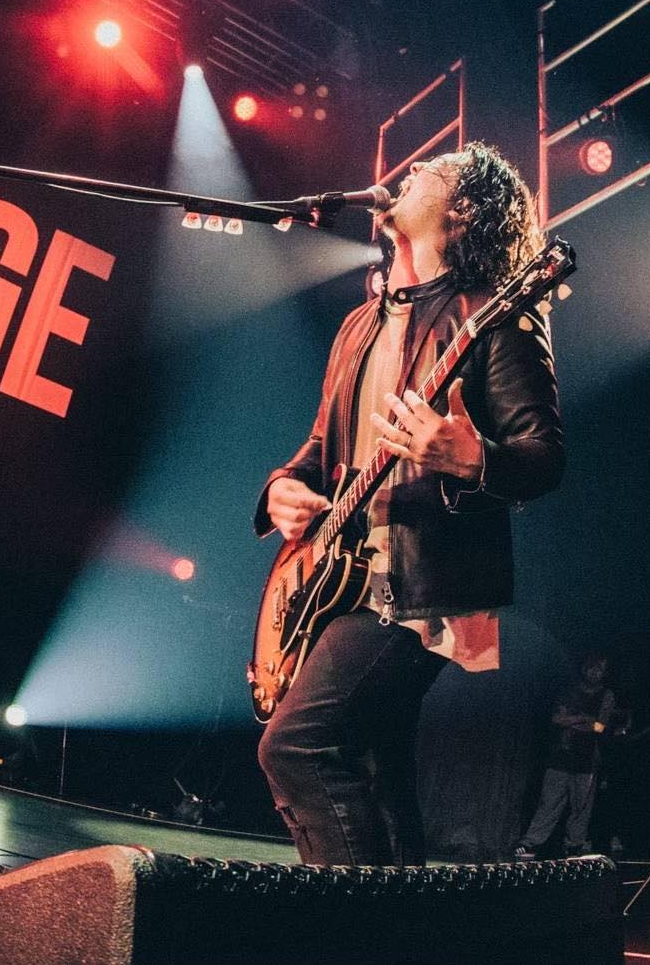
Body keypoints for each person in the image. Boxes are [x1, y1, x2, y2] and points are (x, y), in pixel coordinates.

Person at [255, 142, 565, 866]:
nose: (411, 171)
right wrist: (282, 489)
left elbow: (545, 455)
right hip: (340, 578)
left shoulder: (494, 314)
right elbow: (322, 445)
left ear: (463, 212)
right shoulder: (359, 326)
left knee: (298, 746)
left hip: (426, 587)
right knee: (375, 769)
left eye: (433, 172)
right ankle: (407, 914)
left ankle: (355, 921)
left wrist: (474, 459)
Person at [515, 654, 616, 857]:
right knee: (549, 802)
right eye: (592, 668)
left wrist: (576, 720)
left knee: (581, 805)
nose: (595, 673)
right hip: (560, 756)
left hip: (587, 758)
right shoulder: (569, 691)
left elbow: (600, 727)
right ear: (584, 668)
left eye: (599, 670)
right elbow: (557, 719)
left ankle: (575, 843)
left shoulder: (606, 695)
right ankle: (531, 842)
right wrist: (583, 718)